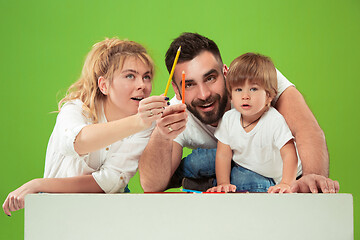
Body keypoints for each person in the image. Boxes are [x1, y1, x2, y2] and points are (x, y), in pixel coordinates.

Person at [139, 32, 339, 194]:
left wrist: (311, 178)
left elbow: (307, 130)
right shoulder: (177, 112)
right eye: (189, 84)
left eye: (210, 78)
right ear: (176, 90)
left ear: (226, 72)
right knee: (203, 161)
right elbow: (151, 185)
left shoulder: (256, 80)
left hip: (274, 174)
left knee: (244, 177)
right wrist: (161, 134)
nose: (204, 94)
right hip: (226, 167)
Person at [3, 38, 168, 216]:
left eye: (147, 77)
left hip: (106, 212)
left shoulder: (145, 127)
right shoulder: (74, 110)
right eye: (130, 76)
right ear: (104, 85)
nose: (142, 85)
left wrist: (38, 184)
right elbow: (79, 142)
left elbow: (108, 182)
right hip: (57, 209)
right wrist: (38, 185)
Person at [207, 53, 301, 193]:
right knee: (200, 160)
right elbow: (223, 154)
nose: (245, 96)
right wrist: (223, 183)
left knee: (243, 181)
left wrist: (286, 183)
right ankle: (186, 176)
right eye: (238, 90)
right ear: (231, 95)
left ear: (269, 95)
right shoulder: (229, 118)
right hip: (245, 163)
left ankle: (205, 182)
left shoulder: (274, 120)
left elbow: (289, 154)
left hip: (275, 175)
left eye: (253, 89)